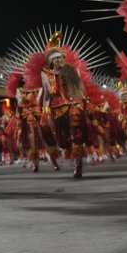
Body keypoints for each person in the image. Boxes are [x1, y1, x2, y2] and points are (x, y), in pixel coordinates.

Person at [40, 33, 92, 179]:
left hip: (76, 105)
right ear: (52, 62)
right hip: (58, 109)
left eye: (61, 57)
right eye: (56, 59)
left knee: (78, 135)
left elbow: (80, 88)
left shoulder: (72, 70)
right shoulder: (46, 75)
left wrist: (86, 102)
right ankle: (73, 157)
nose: (60, 60)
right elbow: (46, 94)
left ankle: (78, 165)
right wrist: (45, 111)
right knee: (65, 137)